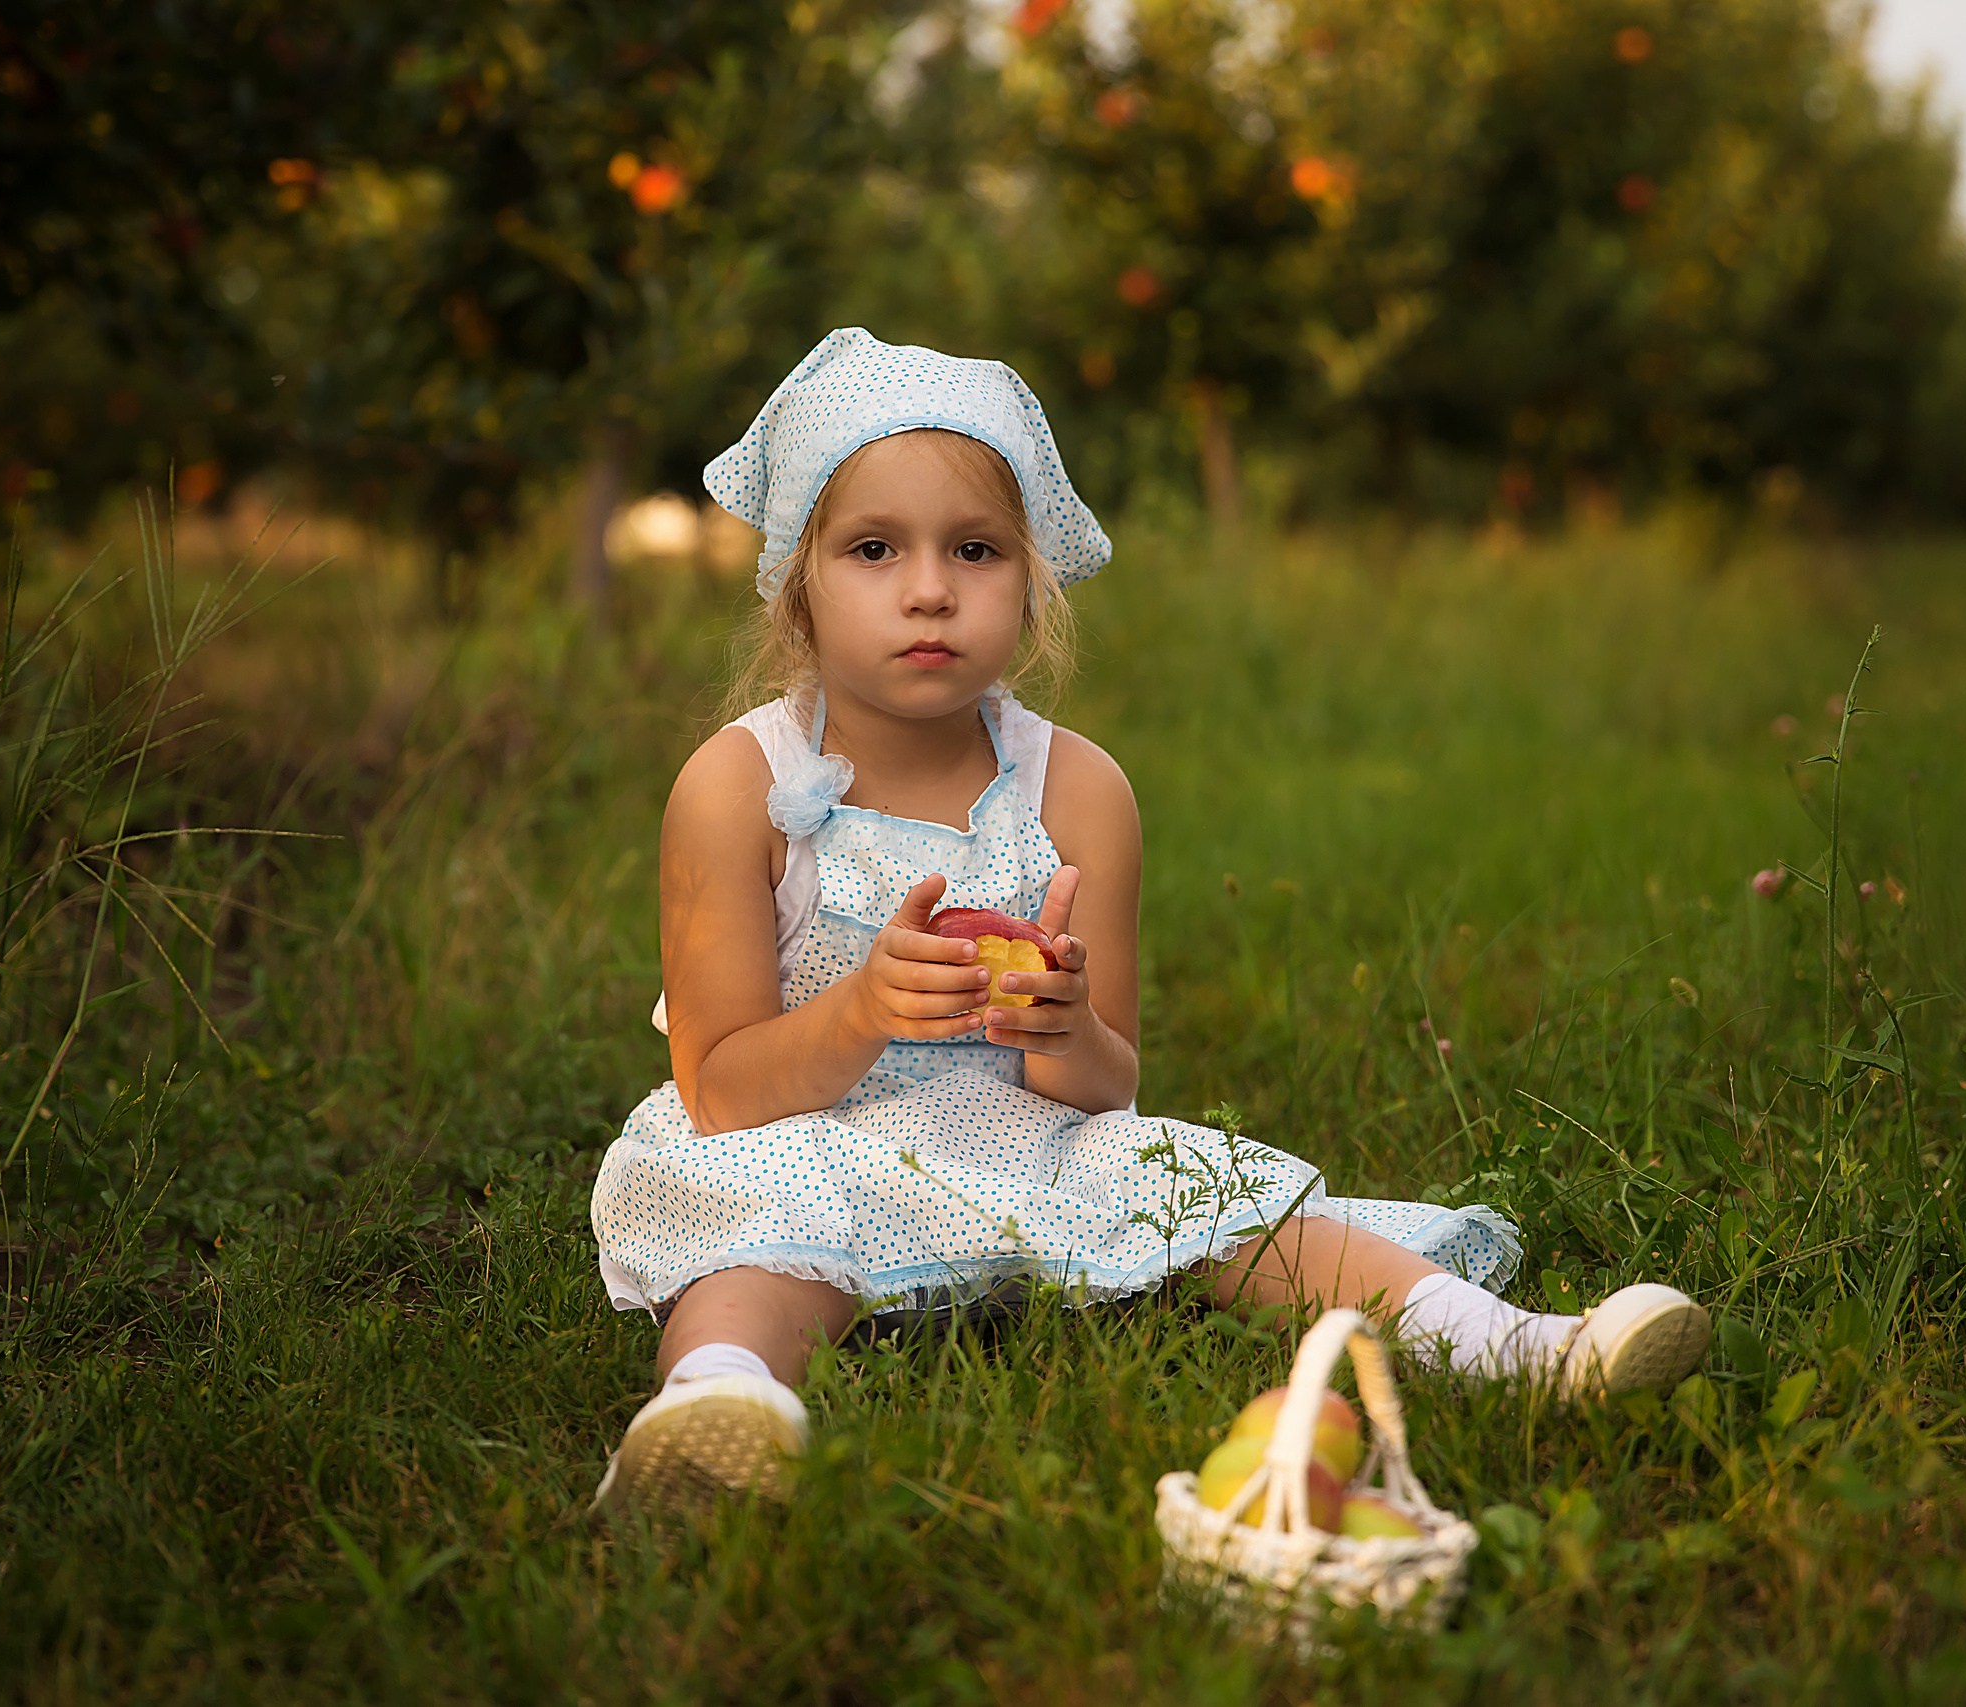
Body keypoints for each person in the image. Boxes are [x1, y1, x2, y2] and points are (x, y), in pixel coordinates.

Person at [589, 329, 1708, 1516]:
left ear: (1028, 578)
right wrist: (862, 1009)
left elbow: (1104, 1085)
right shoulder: (736, 784)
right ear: (799, 578)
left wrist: (1057, 1024)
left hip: (1025, 1145)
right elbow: (717, 1091)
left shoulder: (1075, 790)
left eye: (975, 549)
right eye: (874, 549)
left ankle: (1513, 1345)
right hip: (810, 1132)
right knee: (762, 1243)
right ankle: (719, 1405)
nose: (929, 588)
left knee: (1213, 1192)